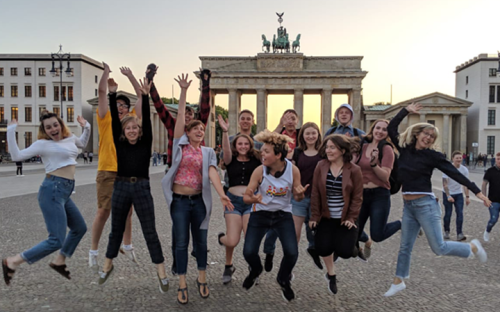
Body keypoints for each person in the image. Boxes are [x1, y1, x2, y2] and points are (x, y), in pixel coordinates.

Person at [384, 103, 491, 297]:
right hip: (409, 206)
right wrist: (406, 111)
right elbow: (391, 128)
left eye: (432, 136)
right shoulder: (405, 148)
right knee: (405, 246)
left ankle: (472, 247)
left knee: (439, 248)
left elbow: (455, 174)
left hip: (426, 205)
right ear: (417, 134)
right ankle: (398, 280)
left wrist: (477, 192)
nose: (428, 138)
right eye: (426, 133)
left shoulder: (434, 156)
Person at [161, 74, 232, 304]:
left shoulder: (208, 151)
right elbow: (180, 115)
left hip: (200, 202)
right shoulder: (179, 146)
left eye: (202, 129)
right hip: (180, 201)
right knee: (181, 243)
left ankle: (202, 278)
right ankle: (182, 282)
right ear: (187, 133)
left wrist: (221, 195)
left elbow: (213, 173)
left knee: (201, 242)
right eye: (196, 129)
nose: (200, 131)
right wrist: (183, 91)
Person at [98, 77, 169, 294]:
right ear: (123, 131)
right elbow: (112, 122)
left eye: (134, 128)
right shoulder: (118, 142)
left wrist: (145, 96)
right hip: (120, 187)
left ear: (138, 130)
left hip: (141, 188)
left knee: (150, 231)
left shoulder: (145, 142)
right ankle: (107, 265)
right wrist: (112, 93)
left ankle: (161, 271)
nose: (131, 130)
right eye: (128, 128)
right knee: (115, 230)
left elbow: (146, 119)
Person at [2, 111, 90, 285]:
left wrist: (86, 126)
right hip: (52, 191)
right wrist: (11, 131)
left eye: (55, 125)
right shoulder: (42, 144)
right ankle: (12, 261)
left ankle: (59, 261)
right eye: (48, 127)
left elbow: (83, 143)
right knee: (56, 239)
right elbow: (16, 156)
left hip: (64, 192)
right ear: (44, 130)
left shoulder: (70, 138)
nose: (53, 129)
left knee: (79, 228)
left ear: (61, 125)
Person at [148, 66, 211, 276]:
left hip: (196, 179)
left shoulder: (197, 133)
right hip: (175, 175)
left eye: (191, 115)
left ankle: (196, 251)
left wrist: (205, 84)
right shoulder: (173, 128)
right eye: (185, 113)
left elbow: (205, 108)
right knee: (178, 225)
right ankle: (177, 259)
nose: (188, 116)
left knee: (197, 219)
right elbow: (158, 106)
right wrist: (151, 83)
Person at [242, 130, 308, 302]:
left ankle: (283, 278)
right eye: (262, 150)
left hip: (282, 215)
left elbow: (297, 196)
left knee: (292, 253)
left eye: (266, 151)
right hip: (260, 214)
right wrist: (252, 198)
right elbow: (246, 197)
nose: (261, 153)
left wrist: (300, 194)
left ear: (278, 154)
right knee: (249, 252)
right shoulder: (259, 170)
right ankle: (256, 270)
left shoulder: (293, 171)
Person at [89, 64, 142, 273]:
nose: (119, 107)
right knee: (103, 211)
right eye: (117, 104)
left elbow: (141, 96)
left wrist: (131, 76)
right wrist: (105, 74)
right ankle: (93, 251)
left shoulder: (131, 121)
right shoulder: (105, 118)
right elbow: (102, 93)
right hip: (107, 170)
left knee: (128, 212)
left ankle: (127, 246)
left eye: (123, 105)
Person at [309, 134, 363, 295]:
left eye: (332, 147)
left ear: (342, 150)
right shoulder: (321, 165)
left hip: (345, 217)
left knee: (346, 252)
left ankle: (354, 246)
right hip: (326, 216)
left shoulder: (354, 169)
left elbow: (357, 196)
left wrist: (351, 218)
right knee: (322, 248)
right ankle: (331, 274)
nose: (328, 150)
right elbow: (315, 193)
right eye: (327, 147)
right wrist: (314, 216)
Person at [217, 115, 261, 284]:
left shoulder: (257, 160)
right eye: (239, 143)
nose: (243, 146)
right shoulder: (230, 159)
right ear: (235, 145)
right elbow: (226, 151)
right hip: (233, 202)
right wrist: (225, 131)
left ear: (251, 145)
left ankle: (253, 267)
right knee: (232, 239)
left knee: (250, 237)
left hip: (250, 202)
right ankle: (227, 259)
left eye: (246, 143)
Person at [354, 119, 401, 260]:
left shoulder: (387, 149)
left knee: (378, 235)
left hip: (379, 195)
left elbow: (385, 176)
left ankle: (400, 223)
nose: (380, 131)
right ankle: (364, 245)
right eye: (378, 128)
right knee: (353, 231)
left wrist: (374, 164)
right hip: (361, 194)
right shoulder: (362, 146)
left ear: (388, 133)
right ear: (372, 129)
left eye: (384, 129)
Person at [289, 122, 324, 270]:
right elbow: (290, 172)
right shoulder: (297, 152)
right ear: (302, 136)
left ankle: (313, 249)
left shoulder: (324, 152)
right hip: (299, 197)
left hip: (318, 198)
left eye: (313, 133)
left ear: (318, 135)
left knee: (315, 230)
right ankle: (289, 267)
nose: (310, 136)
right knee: (294, 234)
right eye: (307, 133)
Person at [442, 151, 470, 241]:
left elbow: (466, 184)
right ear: (453, 159)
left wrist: (467, 197)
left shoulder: (464, 170)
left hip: (458, 193)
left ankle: (459, 233)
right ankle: (446, 231)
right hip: (448, 193)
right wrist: (448, 196)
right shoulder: (447, 168)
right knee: (448, 213)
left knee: (460, 213)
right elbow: (445, 184)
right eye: (457, 158)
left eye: (460, 158)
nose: (459, 159)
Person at [482, 152, 500, 242]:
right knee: (494, 219)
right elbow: (484, 184)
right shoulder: (490, 171)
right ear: (495, 160)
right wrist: (484, 198)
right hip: (493, 200)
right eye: (498, 159)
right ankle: (487, 230)